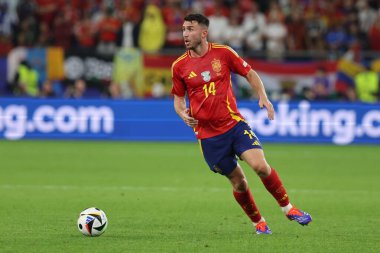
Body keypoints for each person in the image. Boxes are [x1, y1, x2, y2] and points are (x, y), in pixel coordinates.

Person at [171, 13, 312, 235]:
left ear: (203, 33)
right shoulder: (179, 66)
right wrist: (182, 114)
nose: (185, 34)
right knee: (239, 183)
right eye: (183, 29)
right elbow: (178, 100)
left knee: (260, 166)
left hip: (233, 125)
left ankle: (288, 208)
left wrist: (263, 96)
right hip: (208, 136)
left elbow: (250, 73)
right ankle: (259, 223)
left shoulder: (224, 53)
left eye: (190, 29)